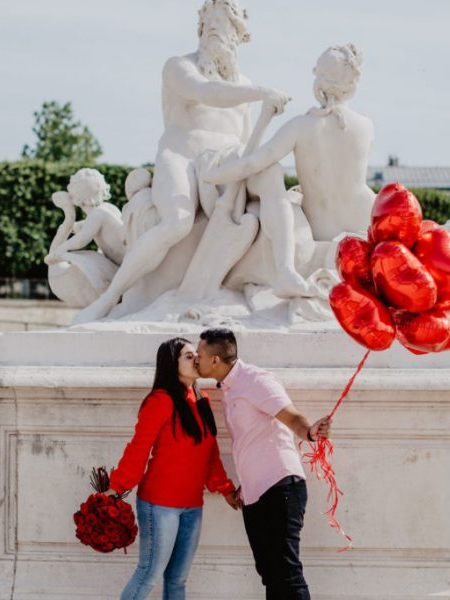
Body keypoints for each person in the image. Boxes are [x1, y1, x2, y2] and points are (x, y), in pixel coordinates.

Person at [73, 0, 295, 322]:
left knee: (269, 173)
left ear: (238, 35)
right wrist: (261, 93)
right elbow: (205, 91)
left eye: (223, 28)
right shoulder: (179, 67)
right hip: (180, 154)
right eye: (209, 27)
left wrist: (264, 120)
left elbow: (248, 147)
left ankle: (284, 270)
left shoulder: (244, 86)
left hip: (221, 163)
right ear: (200, 30)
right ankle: (109, 299)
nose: (214, 34)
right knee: (177, 221)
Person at [195, 328, 332, 600]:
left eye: (199, 355)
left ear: (215, 360)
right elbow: (249, 442)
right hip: (256, 492)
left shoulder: (255, 379)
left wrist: (310, 432)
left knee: (286, 573)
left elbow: (291, 417)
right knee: (270, 574)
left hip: (280, 486)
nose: (196, 360)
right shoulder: (230, 388)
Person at [105, 337, 237, 600]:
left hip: (192, 505)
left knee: (177, 580)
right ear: (172, 364)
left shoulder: (202, 400)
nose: (197, 360)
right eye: (189, 356)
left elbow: (209, 453)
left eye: (196, 355)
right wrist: (116, 488)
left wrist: (225, 489)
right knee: (148, 574)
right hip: (159, 505)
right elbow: (138, 449)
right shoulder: (160, 400)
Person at [203, 43, 376, 241]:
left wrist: (210, 176)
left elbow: (253, 163)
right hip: (366, 220)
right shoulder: (366, 126)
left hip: (321, 227)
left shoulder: (300, 126)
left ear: (318, 81)